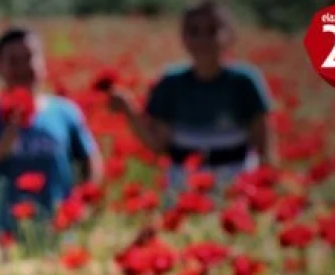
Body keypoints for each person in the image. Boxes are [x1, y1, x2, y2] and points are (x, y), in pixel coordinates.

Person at [108, 0, 274, 197]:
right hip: (183, 184)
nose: (203, 39)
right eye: (194, 31)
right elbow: (158, 144)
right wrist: (129, 110)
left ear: (228, 36)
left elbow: (263, 146)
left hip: (235, 182)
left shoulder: (244, 82)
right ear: (184, 38)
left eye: (212, 30)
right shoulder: (170, 84)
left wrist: (264, 189)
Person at [0, 25, 104, 247]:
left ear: (42, 63)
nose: (23, 67)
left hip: (59, 228)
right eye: (13, 61)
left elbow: (91, 161)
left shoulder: (65, 112)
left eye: (29, 58)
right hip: (4, 233)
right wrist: (2, 146)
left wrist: (84, 201)